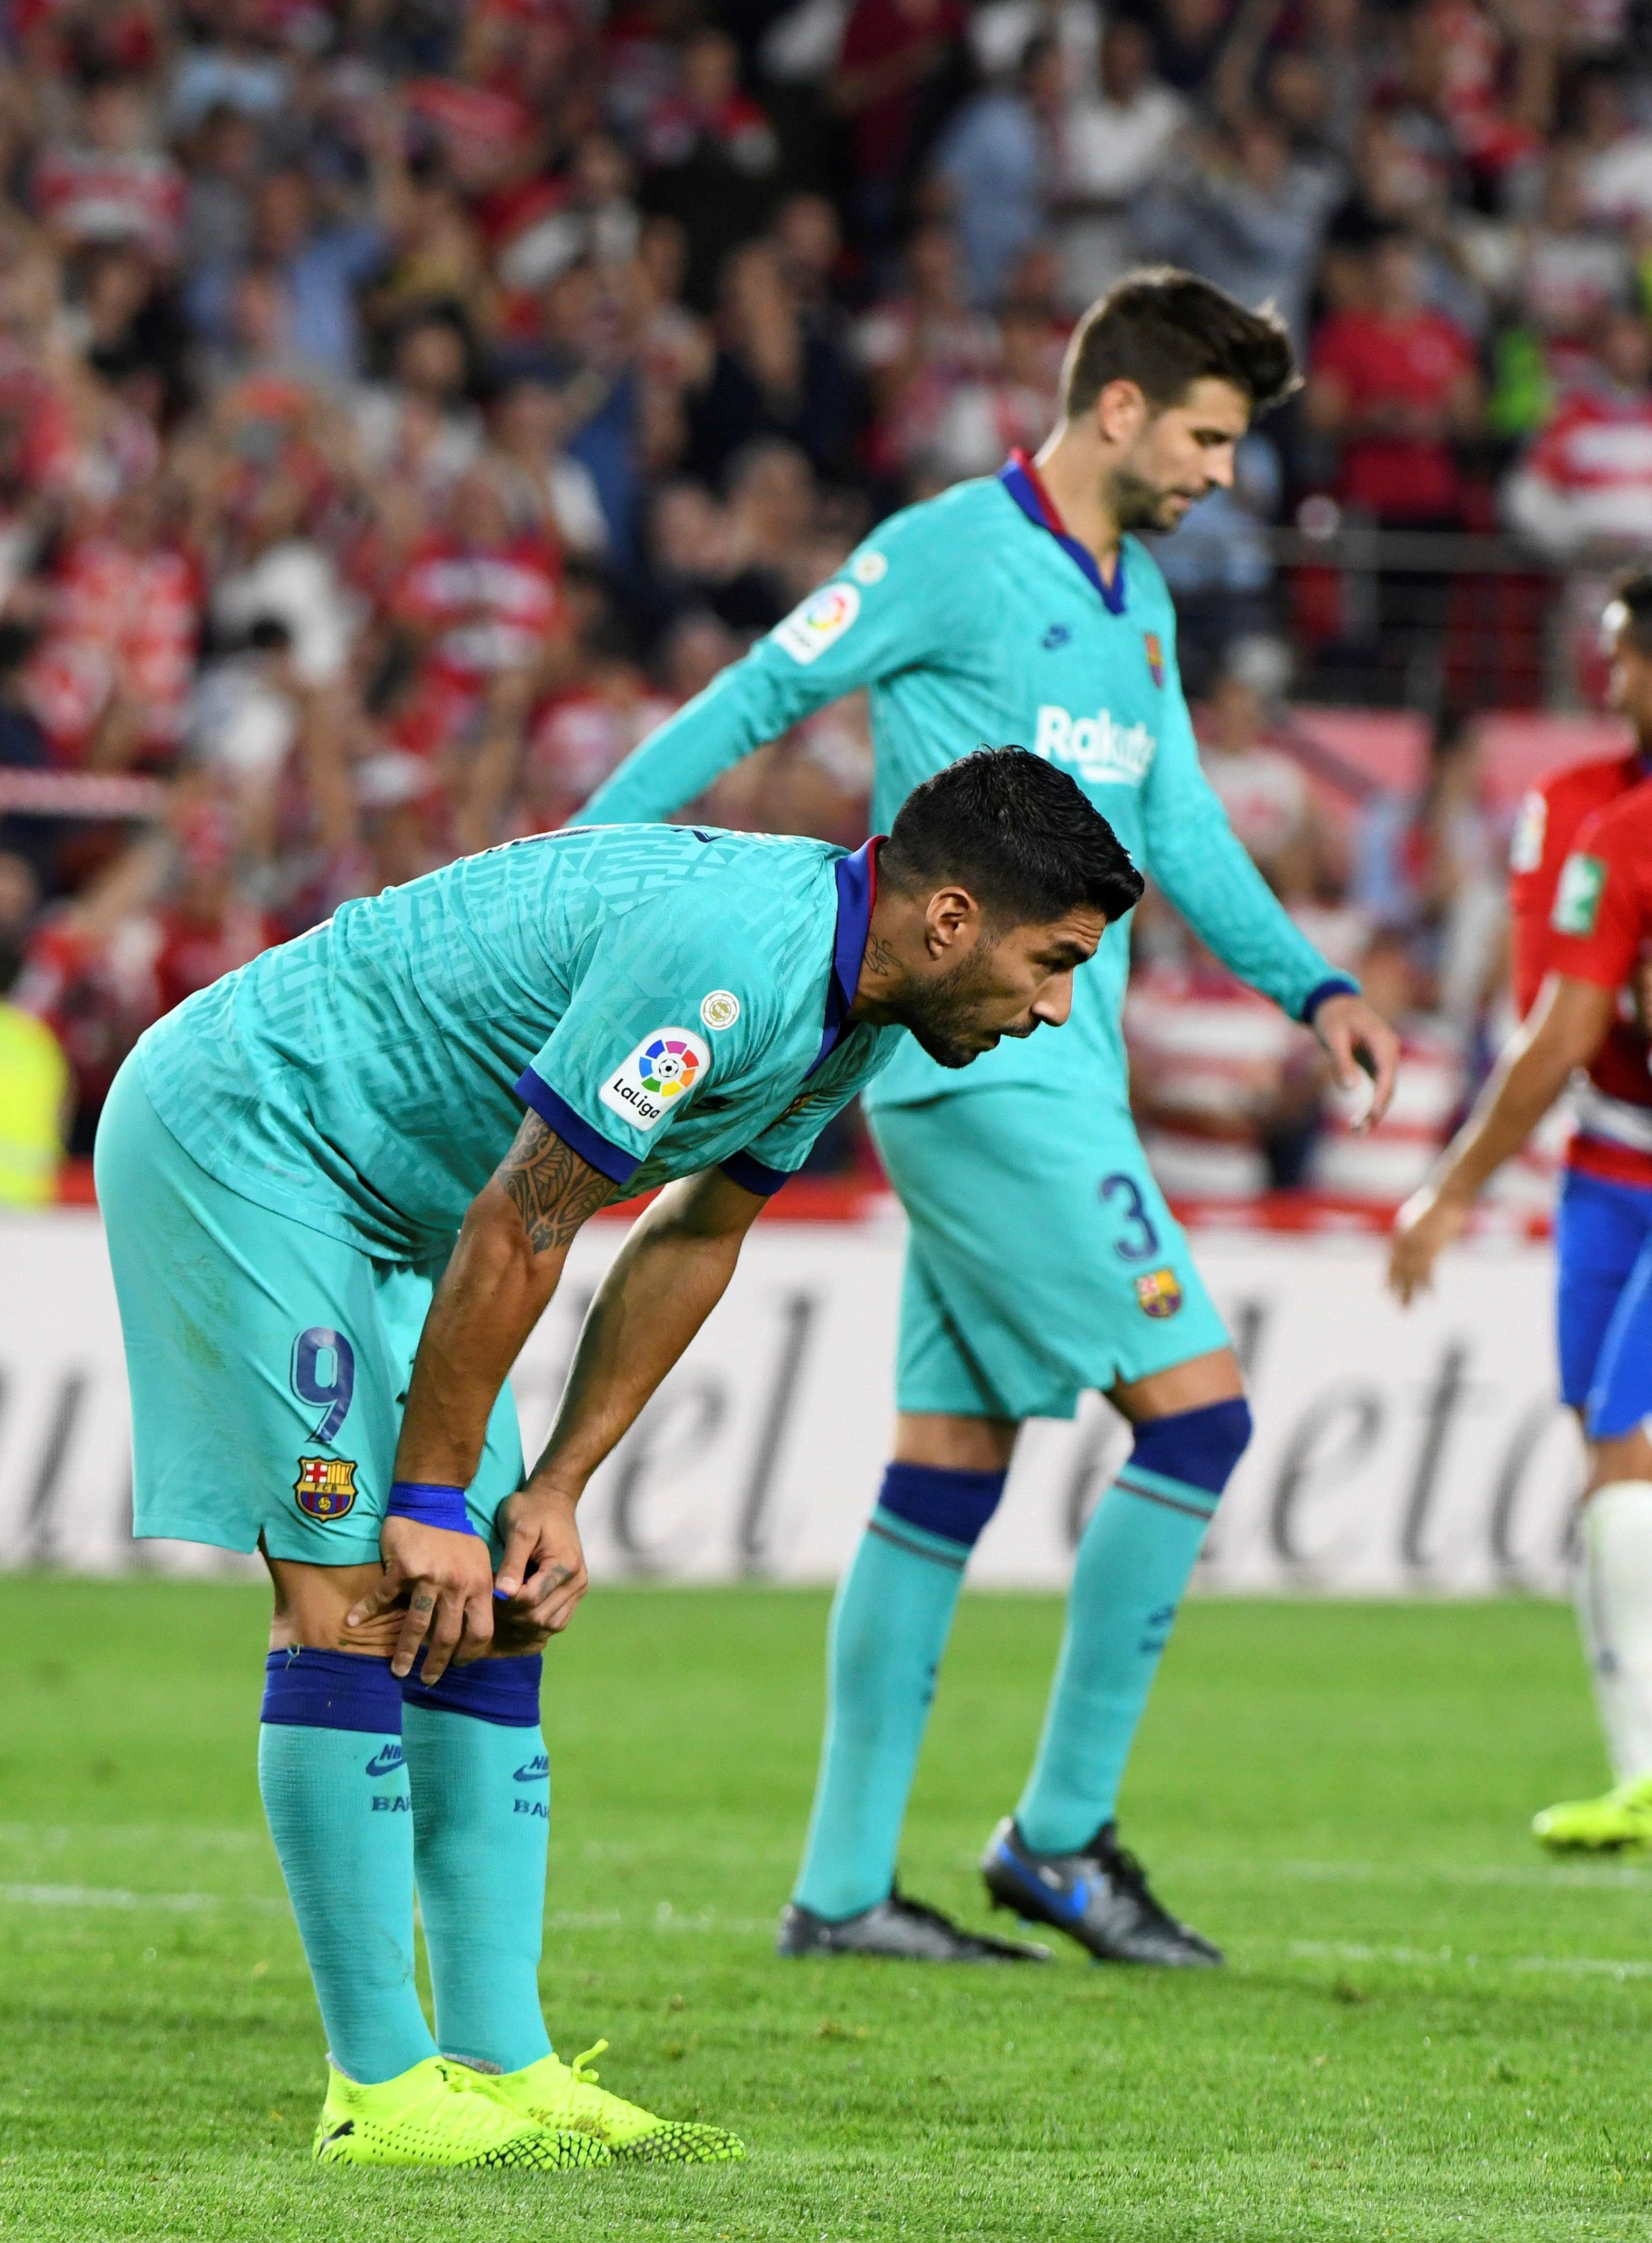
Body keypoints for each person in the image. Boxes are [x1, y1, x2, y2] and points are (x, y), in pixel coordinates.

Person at [94, 750, 1142, 2164]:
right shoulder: (729, 969)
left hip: (408, 1212)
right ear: (952, 919)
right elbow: (531, 1216)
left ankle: (500, 2061)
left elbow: (696, 1232)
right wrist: (420, 1496)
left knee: (494, 1617)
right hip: (257, 1142)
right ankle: (380, 2089)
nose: (1058, 1004)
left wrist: (555, 1486)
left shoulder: (862, 1016)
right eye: (1054, 960)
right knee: (354, 1594)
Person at [580, 268, 1400, 1967]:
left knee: (947, 1466)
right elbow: (757, 697)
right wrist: (577, 869)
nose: (1223, 474)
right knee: (1196, 1420)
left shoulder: (1142, 602)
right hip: (981, 1073)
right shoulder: (947, 548)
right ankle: (1064, 1839)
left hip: (1063, 1066)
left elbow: (1178, 830)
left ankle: (842, 1889)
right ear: (1117, 407)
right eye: (1209, 437)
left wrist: (1313, 986)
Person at [1390, 573, 1652, 1853]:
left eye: (1622, 658)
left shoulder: (1621, 832)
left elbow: (1563, 1028)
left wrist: (1448, 1189)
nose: (1609, 683)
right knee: (1612, 1458)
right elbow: (1561, 1020)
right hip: (1609, 1163)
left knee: (1626, 1447)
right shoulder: (1584, 817)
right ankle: (1638, 1772)